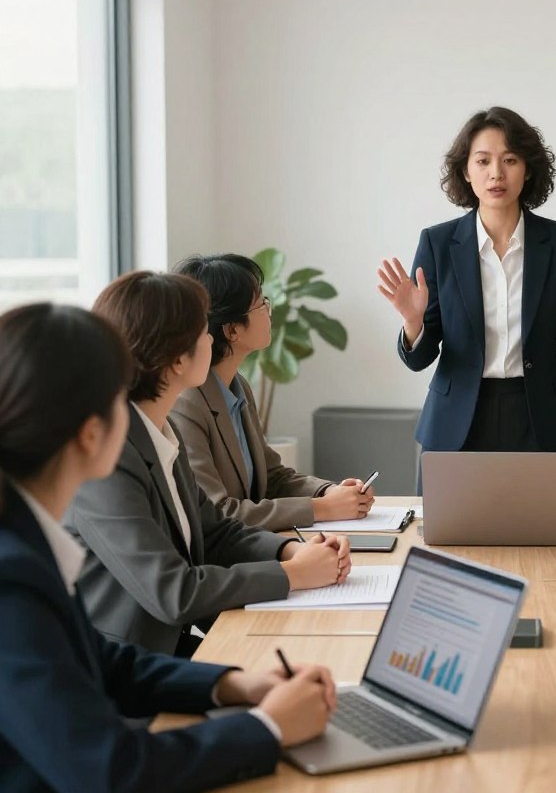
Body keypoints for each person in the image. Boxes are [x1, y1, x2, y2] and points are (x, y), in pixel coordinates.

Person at [0, 303, 335, 793]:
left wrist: (236, 685)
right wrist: (268, 727)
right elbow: (110, 768)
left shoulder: (25, 540)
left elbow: (104, 661)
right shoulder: (11, 576)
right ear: (90, 433)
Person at [67, 271, 351, 657]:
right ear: (175, 360)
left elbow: (216, 532)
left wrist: (290, 551)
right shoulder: (107, 461)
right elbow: (175, 592)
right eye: (204, 332)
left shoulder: (160, 430)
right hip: (122, 667)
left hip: (171, 648)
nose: (211, 340)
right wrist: (293, 574)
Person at [378, 106, 556, 493]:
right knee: (444, 543)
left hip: (538, 418)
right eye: (483, 161)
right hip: (456, 419)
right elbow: (420, 358)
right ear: (466, 171)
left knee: (541, 545)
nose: (496, 173)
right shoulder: (438, 243)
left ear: (527, 170)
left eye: (510, 160)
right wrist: (413, 325)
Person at [171, 253, 373, 530]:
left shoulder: (237, 386)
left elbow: (273, 476)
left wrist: (328, 492)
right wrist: (321, 509)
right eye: (261, 303)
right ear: (232, 330)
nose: (270, 308)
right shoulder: (187, 403)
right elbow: (217, 513)